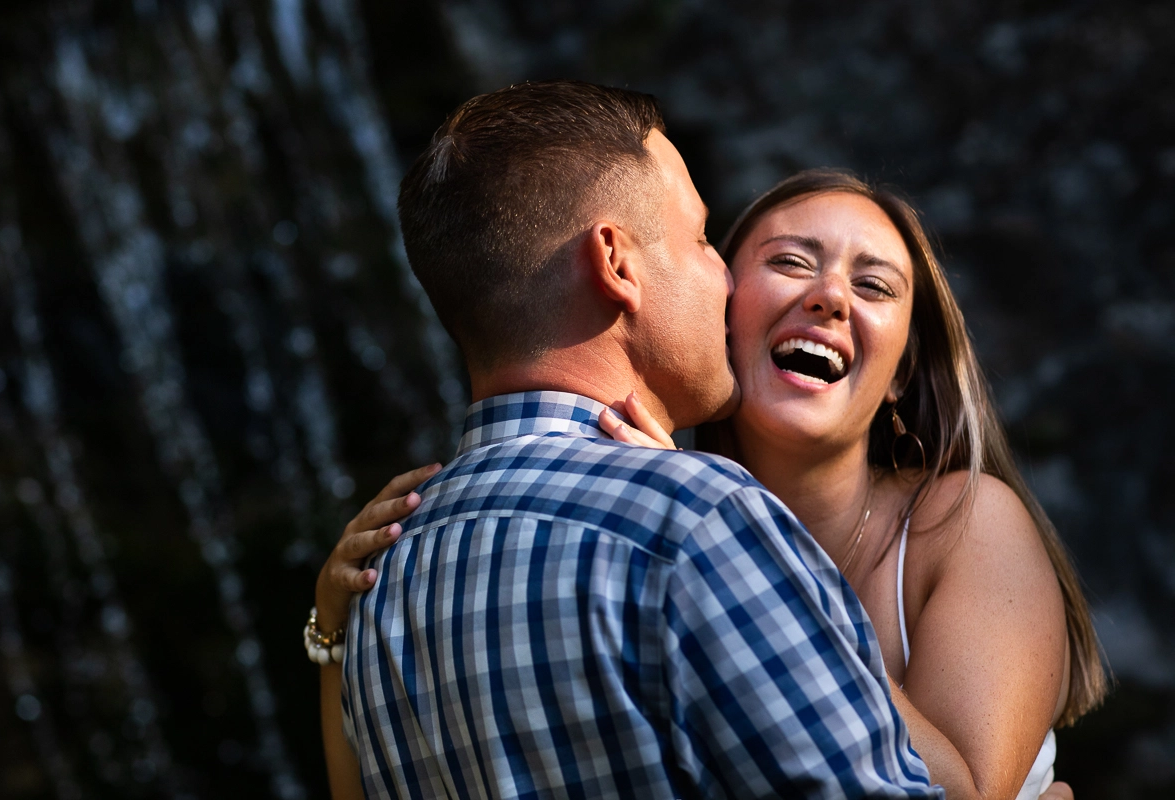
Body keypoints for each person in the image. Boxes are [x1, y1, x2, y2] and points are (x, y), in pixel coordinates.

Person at [321, 169, 1108, 799]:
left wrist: (746, 536)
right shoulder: (662, 533)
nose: (830, 295)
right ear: (722, 312)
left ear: (902, 374)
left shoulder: (964, 519)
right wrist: (330, 634)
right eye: (791, 262)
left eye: (873, 287)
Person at [310, 80, 942, 798]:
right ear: (617, 262)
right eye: (702, 239)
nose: (725, 280)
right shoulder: (698, 519)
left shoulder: (376, 581)